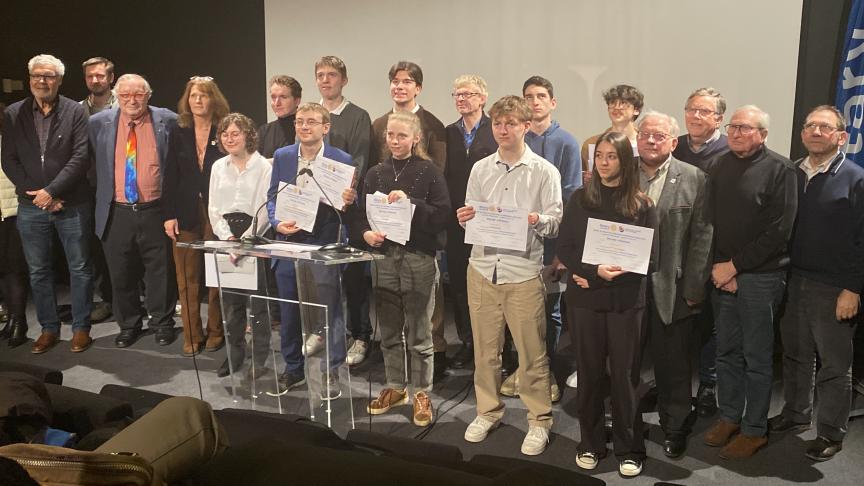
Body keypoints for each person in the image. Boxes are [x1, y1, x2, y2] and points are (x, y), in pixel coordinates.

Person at [458, 95, 561, 456]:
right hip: (483, 268)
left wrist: (536, 220)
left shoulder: (544, 171)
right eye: (498, 123)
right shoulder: (481, 168)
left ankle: (539, 420)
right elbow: (471, 210)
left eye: (511, 123)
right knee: (486, 352)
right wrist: (465, 217)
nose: (503, 129)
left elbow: (555, 220)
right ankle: (487, 411)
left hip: (522, 272)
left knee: (531, 353)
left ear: (525, 126)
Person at [768, 105, 864, 462]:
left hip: (835, 288)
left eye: (825, 127)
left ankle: (830, 433)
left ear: (841, 137)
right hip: (793, 280)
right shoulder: (792, 172)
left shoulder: (856, 179)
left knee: (835, 365)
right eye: (810, 126)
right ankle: (794, 414)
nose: (815, 131)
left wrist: (852, 289)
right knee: (795, 355)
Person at [558, 131, 656, 477]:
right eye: (599, 156)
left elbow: (650, 259)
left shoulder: (642, 205)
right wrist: (592, 272)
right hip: (585, 300)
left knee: (625, 376)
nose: (603, 162)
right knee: (589, 373)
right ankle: (591, 442)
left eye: (612, 156)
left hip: (626, 300)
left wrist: (599, 275)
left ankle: (630, 448)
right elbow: (565, 248)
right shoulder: (580, 199)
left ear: (625, 161)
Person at [703, 105, 797, 460]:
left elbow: (779, 231)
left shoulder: (781, 170)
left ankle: (755, 428)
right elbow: (708, 221)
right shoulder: (719, 165)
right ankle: (729, 416)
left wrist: (735, 268)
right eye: (733, 127)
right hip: (722, 275)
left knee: (757, 357)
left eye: (745, 128)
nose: (736, 133)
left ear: (763, 134)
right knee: (727, 352)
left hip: (762, 277)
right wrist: (719, 268)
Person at [348, 110, 450, 426]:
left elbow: (443, 215)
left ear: (415, 138)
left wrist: (412, 204)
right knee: (389, 329)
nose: (395, 141)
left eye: (402, 135)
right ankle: (395, 387)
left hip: (419, 256)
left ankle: (421, 392)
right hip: (384, 258)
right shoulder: (375, 173)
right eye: (391, 135)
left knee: (420, 330)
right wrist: (366, 233)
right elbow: (360, 217)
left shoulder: (429, 172)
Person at [1, 54, 93, 354]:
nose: (43, 81)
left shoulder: (76, 111)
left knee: (79, 268)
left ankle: (81, 328)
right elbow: (9, 159)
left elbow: (80, 157)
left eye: (50, 76)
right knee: (38, 270)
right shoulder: (14, 113)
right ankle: (49, 328)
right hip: (31, 206)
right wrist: (37, 194)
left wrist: (51, 191)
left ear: (60, 80)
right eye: (38, 75)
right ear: (30, 79)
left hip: (71, 202)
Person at [500, 76, 582, 399]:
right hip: (513, 245)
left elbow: (572, 198)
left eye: (541, 96)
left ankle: (545, 372)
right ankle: (524, 368)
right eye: (528, 97)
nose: (534, 102)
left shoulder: (567, 143)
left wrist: (563, 250)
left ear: (552, 102)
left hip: (550, 244)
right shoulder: (512, 140)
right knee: (517, 311)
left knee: (549, 310)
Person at [636, 111, 713, 458]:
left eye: (659, 135)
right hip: (625, 288)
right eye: (646, 134)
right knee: (625, 360)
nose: (651, 140)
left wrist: (695, 287)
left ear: (673, 142)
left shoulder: (695, 178)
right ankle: (626, 420)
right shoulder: (621, 175)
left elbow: (702, 237)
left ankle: (675, 425)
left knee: (673, 364)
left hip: (674, 287)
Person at [267, 102, 354, 394]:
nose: (304, 127)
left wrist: (347, 200)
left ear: (325, 128)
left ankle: (332, 371)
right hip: (289, 242)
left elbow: (345, 209)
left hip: (324, 242)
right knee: (289, 310)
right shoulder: (283, 156)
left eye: (311, 122)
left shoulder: (341, 159)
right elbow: (271, 198)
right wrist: (276, 222)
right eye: (300, 122)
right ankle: (293, 369)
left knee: (330, 310)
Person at [90, 73, 178, 349]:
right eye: (125, 95)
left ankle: (162, 323)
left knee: (160, 272)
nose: (132, 100)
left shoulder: (168, 120)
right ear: (117, 96)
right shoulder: (97, 123)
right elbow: (91, 164)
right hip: (117, 210)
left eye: (138, 94)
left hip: (156, 209)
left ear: (148, 95)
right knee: (120, 272)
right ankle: (128, 324)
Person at [672, 87, 730, 418]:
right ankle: (675, 383)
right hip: (674, 252)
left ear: (719, 118)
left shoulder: (729, 151)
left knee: (711, 324)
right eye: (692, 109)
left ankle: (708, 384)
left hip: (715, 252)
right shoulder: (673, 145)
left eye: (704, 112)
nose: (695, 116)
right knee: (676, 323)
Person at [163, 77, 230, 357]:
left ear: (214, 99)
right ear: (187, 101)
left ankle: (216, 330)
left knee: (217, 275)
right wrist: (168, 215)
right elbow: (169, 174)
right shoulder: (178, 131)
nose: (198, 100)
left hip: (217, 211)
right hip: (184, 210)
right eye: (193, 96)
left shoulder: (226, 129)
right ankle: (192, 334)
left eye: (204, 95)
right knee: (186, 276)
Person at [314, 55, 374, 366]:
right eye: (321, 75)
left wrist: (347, 192)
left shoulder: (358, 116)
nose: (326, 80)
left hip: (348, 209)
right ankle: (325, 330)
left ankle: (361, 335)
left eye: (332, 75)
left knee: (353, 278)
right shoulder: (311, 115)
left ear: (343, 80)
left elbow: (360, 160)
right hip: (317, 210)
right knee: (322, 276)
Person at [208, 112, 274, 377]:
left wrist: (245, 241)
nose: (229, 138)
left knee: (258, 307)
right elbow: (213, 207)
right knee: (231, 307)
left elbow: (266, 209)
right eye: (225, 134)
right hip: (226, 237)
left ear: (248, 135)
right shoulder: (217, 167)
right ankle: (234, 356)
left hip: (255, 236)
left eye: (235, 133)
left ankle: (259, 360)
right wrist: (227, 239)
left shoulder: (264, 167)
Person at [443, 74, 497, 370]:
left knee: (489, 286)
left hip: (489, 222)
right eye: (457, 94)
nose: (462, 99)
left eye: (468, 93)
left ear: (482, 98)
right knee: (461, 286)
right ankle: (468, 342)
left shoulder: (495, 130)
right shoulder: (447, 132)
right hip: (456, 222)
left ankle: (498, 348)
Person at [80, 57, 118, 324]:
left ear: (111, 78)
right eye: (91, 76)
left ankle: (138, 300)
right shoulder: (77, 110)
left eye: (100, 76)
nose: (96, 80)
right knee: (98, 247)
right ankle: (108, 299)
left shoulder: (127, 103)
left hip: (127, 188)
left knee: (133, 247)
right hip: (91, 189)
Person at [0, 102, 30, 348]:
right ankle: (10, 319)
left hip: (13, 212)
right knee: (2, 271)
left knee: (14, 269)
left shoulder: (10, 141)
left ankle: (20, 321)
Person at [580, 85, 643, 181]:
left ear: (636, 110)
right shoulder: (592, 143)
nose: (617, 108)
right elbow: (583, 175)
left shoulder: (645, 143)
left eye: (623, 103)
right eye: (612, 103)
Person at [258, 75, 302, 159]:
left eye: (283, 97)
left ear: (297, 101)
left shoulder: (306, 129)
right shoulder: (264, 131)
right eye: (273, 97)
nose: (277, 103)